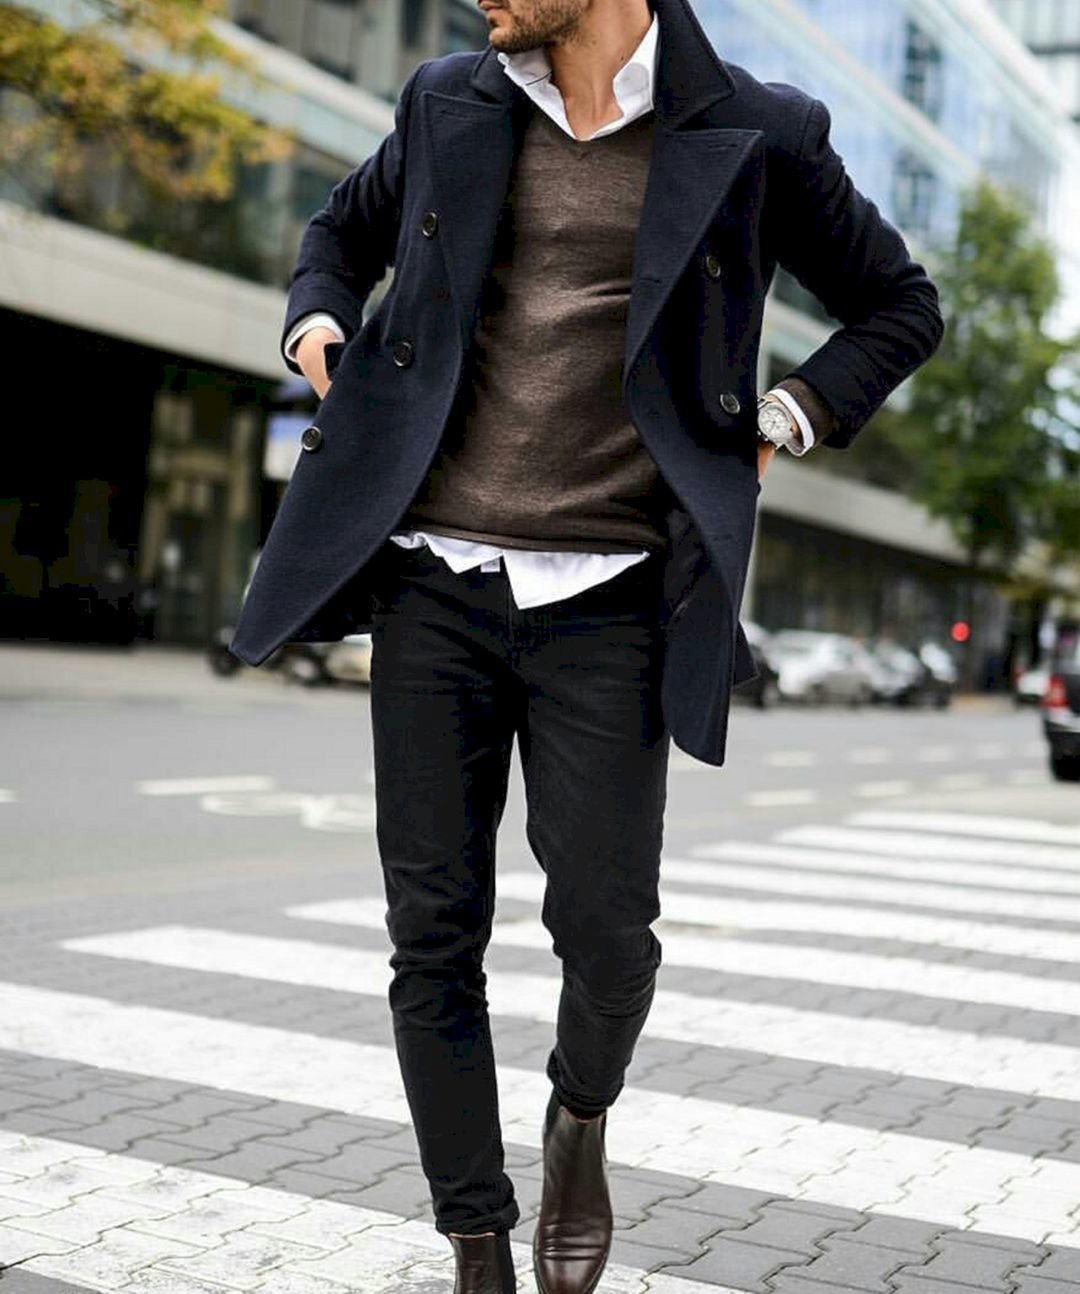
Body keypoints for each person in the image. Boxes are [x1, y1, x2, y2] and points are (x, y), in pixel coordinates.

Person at [229, 0, 944, 1287]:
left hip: (612, 597)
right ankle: (477, 1243)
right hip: (433, 582)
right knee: (431, 934)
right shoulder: (450, 98)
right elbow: (338, 234)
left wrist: (785, 414)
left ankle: (580, 1115)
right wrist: (317, 321)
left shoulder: (760, 131)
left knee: (609, 930)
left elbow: (899, 304)